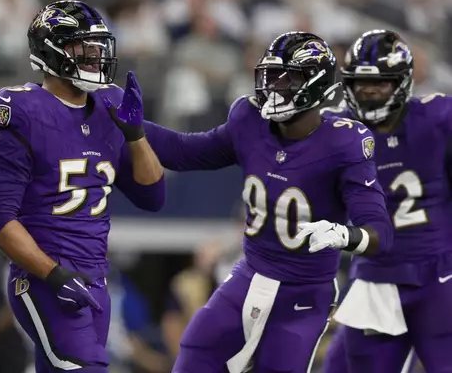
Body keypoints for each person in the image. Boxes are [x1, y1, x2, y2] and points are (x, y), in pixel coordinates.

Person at [143, 31, 393, 373]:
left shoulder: (344, 142)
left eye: (287, 78)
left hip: (303, 293)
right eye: (271, 76)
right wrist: (129, 126)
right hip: (249, 275)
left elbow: (379, 232)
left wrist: (344, 235)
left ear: (316, 85)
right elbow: (184, 152)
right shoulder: (249, 119)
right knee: (196, 348)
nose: (275, 87)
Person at [0, 0, 165, 373]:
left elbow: (153, 195)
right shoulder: (24, 111)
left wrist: (136, 135)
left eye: (99, 47)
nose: (96, 56)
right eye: (85, 46)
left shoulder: (108, 105)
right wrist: (54, 274)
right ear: (53, 50)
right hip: (46, 277)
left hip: (96, 276)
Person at [320, 29, 452, 373]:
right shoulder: (335, 130)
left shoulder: (436, 119)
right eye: (361, 84)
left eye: (380, 83)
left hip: (438, 274)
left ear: (402, 83)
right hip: (375, 277)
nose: (369, 92)